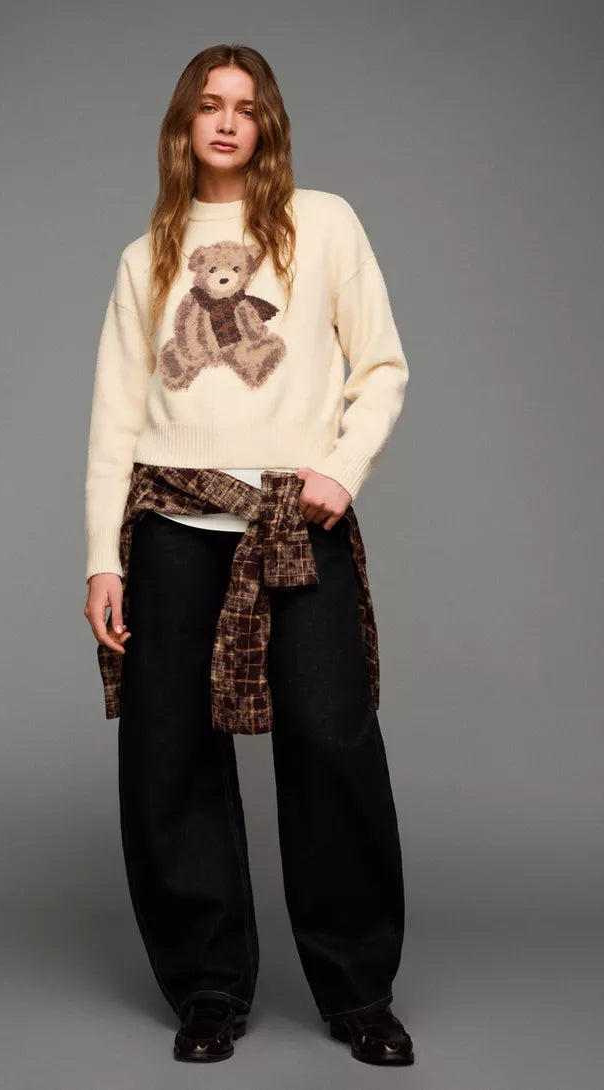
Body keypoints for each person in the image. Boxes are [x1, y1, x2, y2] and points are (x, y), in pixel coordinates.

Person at [83, 43, 414, 1066]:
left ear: (266, 123)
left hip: (294, 520)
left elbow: (382, 366)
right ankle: (209, 987)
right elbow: (114, 419)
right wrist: (101, 558)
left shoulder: (324, 223)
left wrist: (341, 469)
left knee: (332, 740)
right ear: (183, 125)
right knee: (169, 755)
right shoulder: (147, 255)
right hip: (172, 523)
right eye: (208, 105)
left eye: (245, 105)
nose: (227, 121)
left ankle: (358, 990)